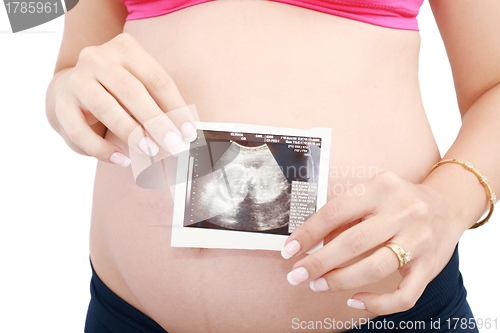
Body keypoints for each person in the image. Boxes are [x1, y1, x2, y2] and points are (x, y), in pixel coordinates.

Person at [45, 0, 499, 332]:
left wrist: (449, 201)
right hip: (127, 315)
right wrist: (67, 91)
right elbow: (70, 69)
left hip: (381, 310)